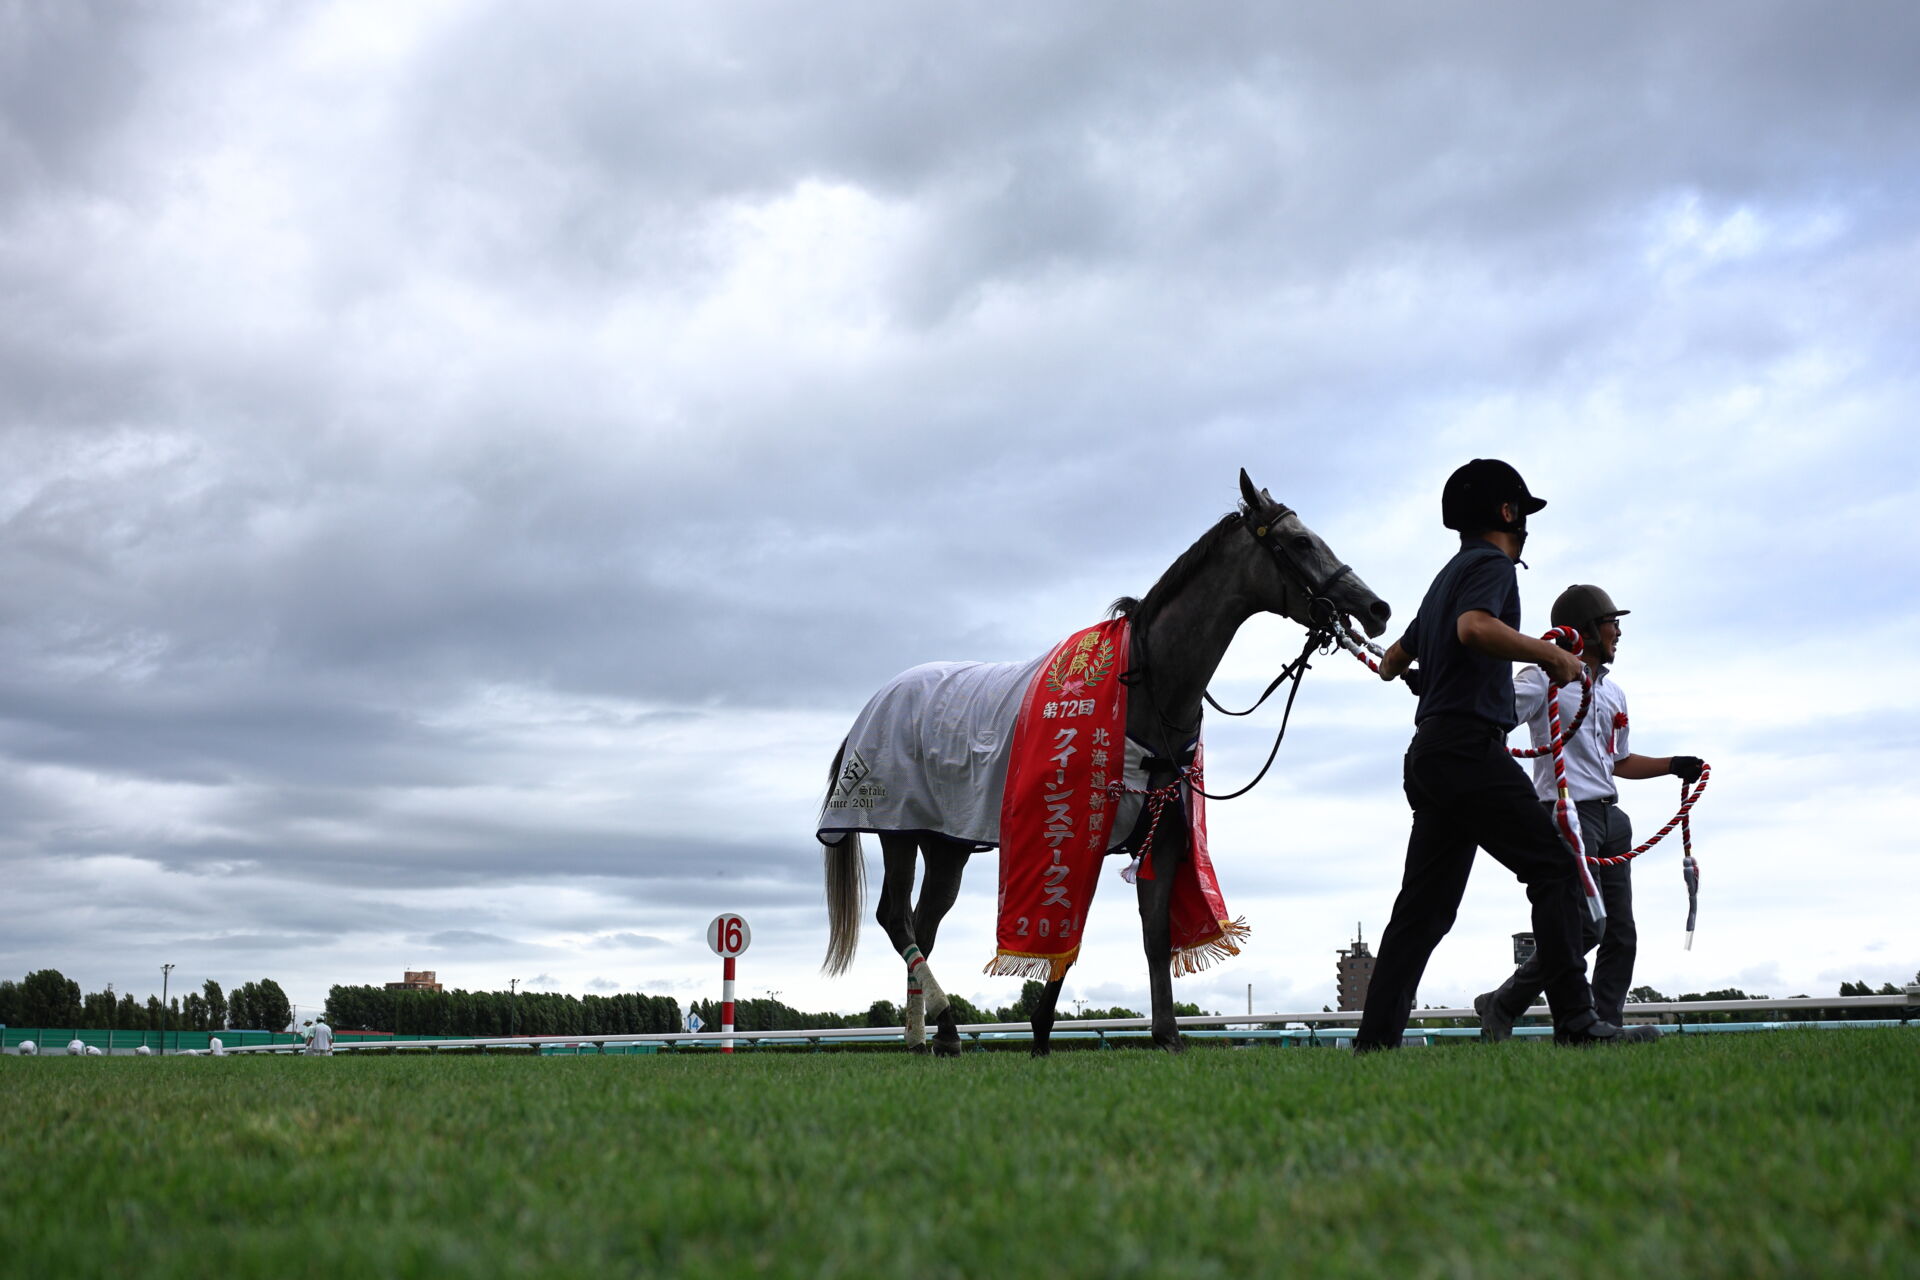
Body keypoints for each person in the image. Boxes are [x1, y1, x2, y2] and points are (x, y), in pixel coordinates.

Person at [1357, 459, 1657, 1050]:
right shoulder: (1492, 566)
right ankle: (1578, 1023)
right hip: (1469, 750)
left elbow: (1392, 661)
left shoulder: (1444, 578)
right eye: (1523, 517)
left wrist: (1426, 670)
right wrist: (1550, 658)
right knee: (1554, 869)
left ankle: (1375, 1042)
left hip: (1430, 754)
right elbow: (1473, 629)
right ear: (1506, 513)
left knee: (1423, 910)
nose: (1525, 532)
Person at [1474, 584, 1705, 1038]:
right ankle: (1506, 1002)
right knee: (1584, 927)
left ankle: (1605, 1024)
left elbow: (1619, 762)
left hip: (1611, 817)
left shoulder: (1615, 694)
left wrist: (1672, 766)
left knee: (1620, 932)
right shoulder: (1541, 677)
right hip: (1565, 814)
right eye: (1611, 623)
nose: (1618, 632)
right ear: (1587, 629)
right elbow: (1497, 713)